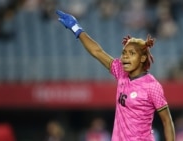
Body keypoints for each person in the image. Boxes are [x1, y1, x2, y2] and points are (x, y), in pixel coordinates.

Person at [56, 10, 175, 141]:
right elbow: (97, 52)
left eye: (131, 53)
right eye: (124, 53)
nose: (125, 57)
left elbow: (167, 121)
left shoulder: (152, 86)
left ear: (142, 58)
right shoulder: (120, 72)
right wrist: (76, 28)